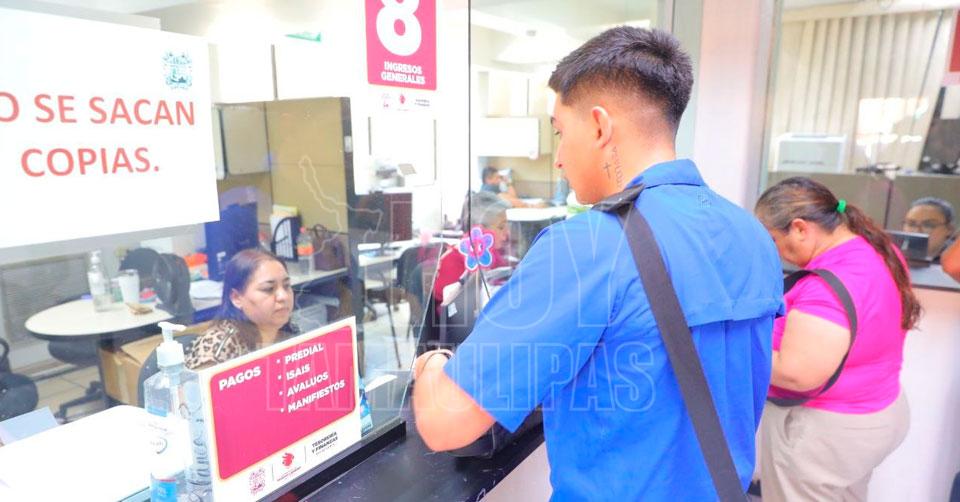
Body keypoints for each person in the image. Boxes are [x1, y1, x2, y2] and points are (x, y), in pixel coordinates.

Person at [412, 27, 784, 500]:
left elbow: (445, 422)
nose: (559, 159)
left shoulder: (588, 246)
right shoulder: (751, 234)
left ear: (600, 127)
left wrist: (432, 364)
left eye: (561, 132)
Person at [754, 177, 918, 502]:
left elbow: (797, 374)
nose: (774, 251)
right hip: (877, 413)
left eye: (772, 239)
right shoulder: (877, 250)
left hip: (824, 432)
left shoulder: (826, 287)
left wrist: (733, 349)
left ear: (800, 228)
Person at [185, 249, 295, 370]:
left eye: (286, 286)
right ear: (237, 298)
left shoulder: (291, 333)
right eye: (268, 289)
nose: (283, 296)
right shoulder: (218, 349)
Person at [435, 191, 512, 309]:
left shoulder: (494, 255)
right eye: (501, 227)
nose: (507, 233)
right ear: (479, 229)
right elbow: (451, 314)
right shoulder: (452, 263)